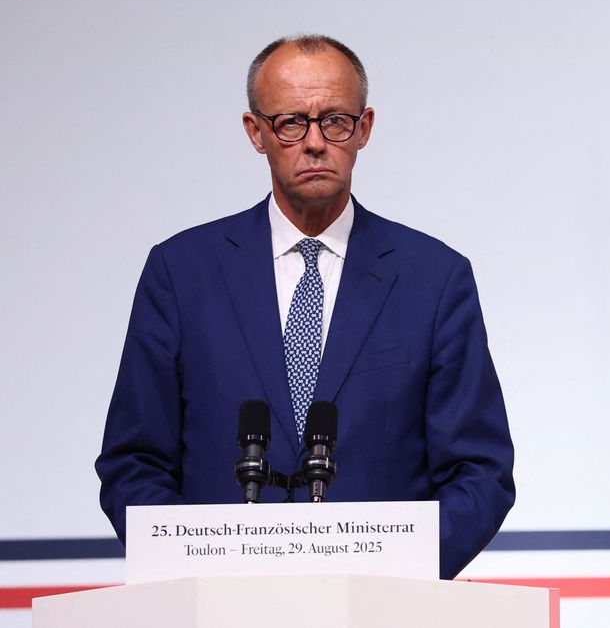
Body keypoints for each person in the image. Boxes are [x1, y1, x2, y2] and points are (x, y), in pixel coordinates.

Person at [95, 35, 515, 579]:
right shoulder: (181, 273)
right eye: (292, 122)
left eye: (335, 120)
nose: (315, 142)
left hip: (381, 611)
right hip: (221, 610)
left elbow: (480, 472)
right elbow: (134, 464)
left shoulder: (433, 278)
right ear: (256, 133)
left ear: (363, 129)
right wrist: (203, 570)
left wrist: (395, 573)